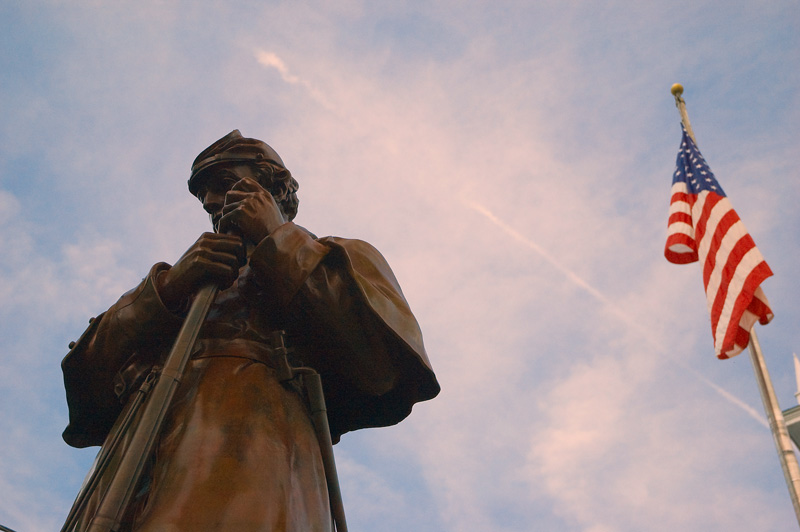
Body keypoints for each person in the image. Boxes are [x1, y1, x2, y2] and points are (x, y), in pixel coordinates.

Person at [61, 130, 440, 531]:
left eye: (223, 184)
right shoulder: (184, 283)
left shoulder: (336, 257)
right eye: (203, 193)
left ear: (272, 188)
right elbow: (87, 385)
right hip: (131, 468)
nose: (209, 201)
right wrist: (168, 289)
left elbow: (380, 364)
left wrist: (277, 240)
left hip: (252, 452)